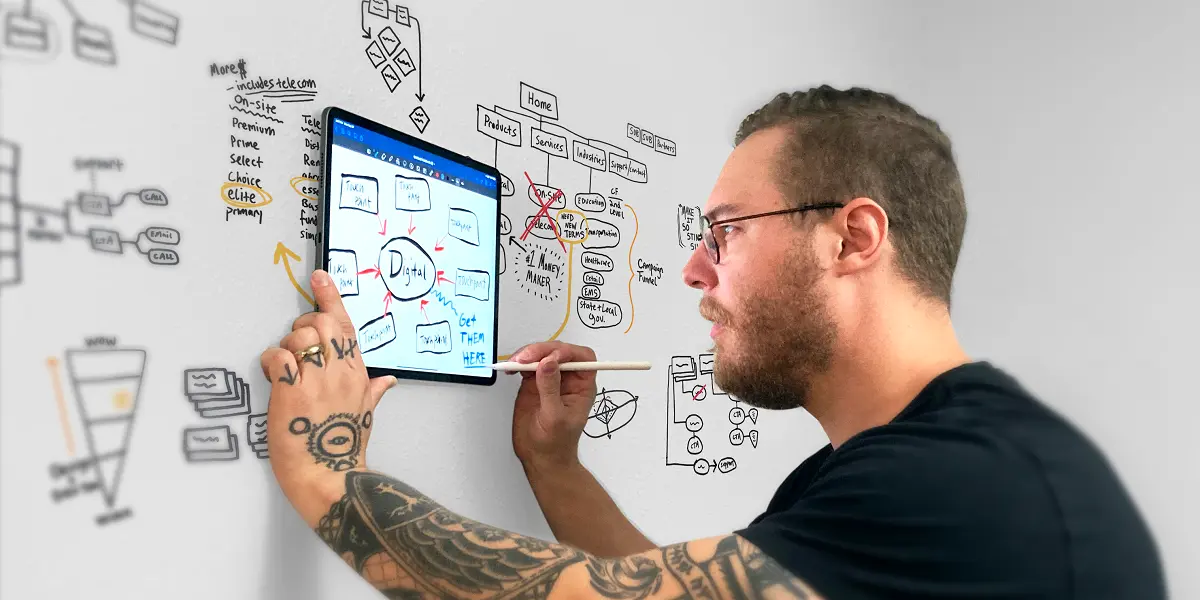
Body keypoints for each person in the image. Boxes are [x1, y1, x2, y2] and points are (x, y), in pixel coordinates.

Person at [259, 85, 1166, 599]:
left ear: (852, 238)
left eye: (725, 230)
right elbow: (677, 589)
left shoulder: (965, 485)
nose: (694, 270)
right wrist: (556, 467)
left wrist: (322, 471)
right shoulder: (902, 465)